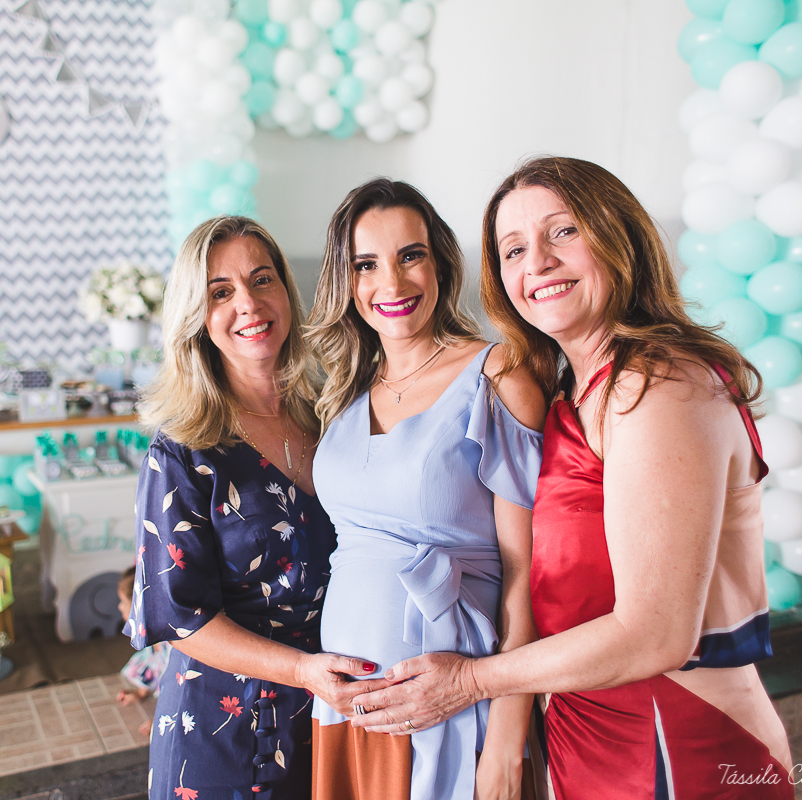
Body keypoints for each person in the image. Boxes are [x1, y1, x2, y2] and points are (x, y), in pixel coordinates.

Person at [349, 157, 794, 799]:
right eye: (514, 249)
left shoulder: (658, 384)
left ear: (619, 236)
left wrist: (471, 682)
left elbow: (657, 634)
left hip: (675, 741)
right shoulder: (575, 392)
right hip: (587, 733)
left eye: (563, 231)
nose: (538, 262)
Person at [305, 179, 546, 800]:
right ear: (345, 280)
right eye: (366, 264)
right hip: (349, 709)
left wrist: (506, 743)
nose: (391, 282)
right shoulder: (344, 392)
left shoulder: (496, 374)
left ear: (440, 262)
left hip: (452, 702)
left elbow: (527, 572)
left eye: (410, 255)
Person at [126, 216, 378, 800]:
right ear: (196, 315)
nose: (248, 303)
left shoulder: (331, 414)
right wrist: (302, 670)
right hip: (222, 730)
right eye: (221, 292)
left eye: (262, 279)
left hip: (332, 715)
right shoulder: (183, 449)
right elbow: (178, 617)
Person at [115, 566, 170, 737]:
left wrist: (162, 718)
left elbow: (177, 686)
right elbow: (154, 664)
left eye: (123, 602)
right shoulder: (151, 636)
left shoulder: (172, 644)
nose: (119, 607)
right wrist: (141, 692)